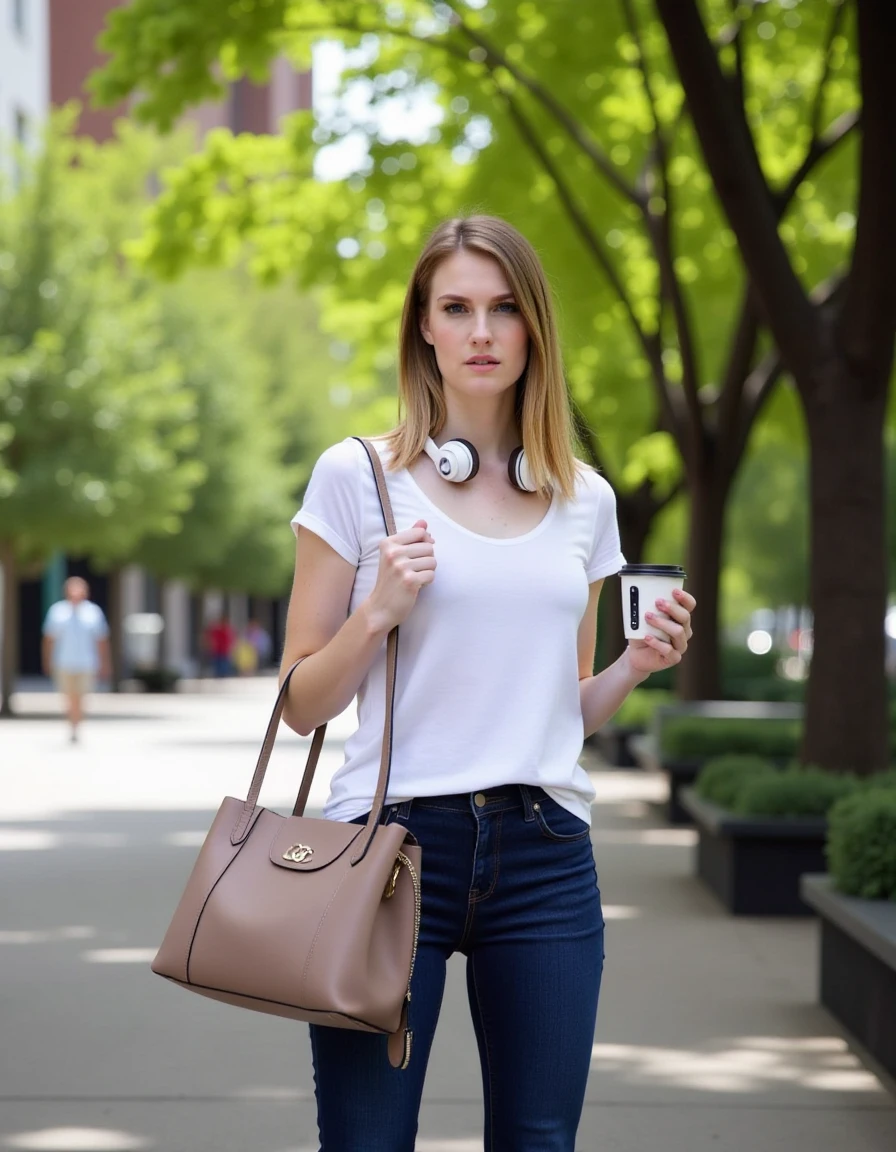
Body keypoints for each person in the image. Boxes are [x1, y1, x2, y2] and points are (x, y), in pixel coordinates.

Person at [279, 215, 696, 1151]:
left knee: (540, 1141)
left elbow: (565, 709)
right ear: (421, 326)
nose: (480, 332)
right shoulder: (358, 478)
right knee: (366, 1142)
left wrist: (635, 666)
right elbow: (301, 701)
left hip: (545, 853)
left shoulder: (584, 498)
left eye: (504, 309)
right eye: (456, 307)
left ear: (533, 329)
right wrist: (376, 610)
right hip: (388, 856)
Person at [42, 576, 111, 743]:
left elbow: (101, 640)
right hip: (64, 662)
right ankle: (73, 724)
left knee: (81, 696)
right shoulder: (57, 611)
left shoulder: (93, 612)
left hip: (87, 662)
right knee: (68, 696)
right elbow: (48, 640)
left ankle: (76, 725)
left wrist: (105, 663)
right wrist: (47, 661)